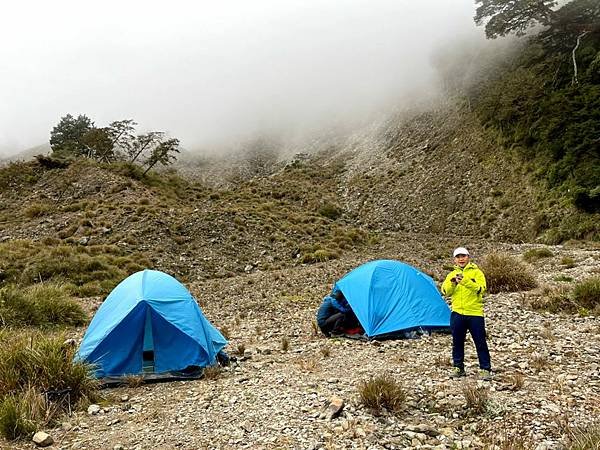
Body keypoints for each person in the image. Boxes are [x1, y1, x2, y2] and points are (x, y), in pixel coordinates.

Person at [442, 247, 492, 380]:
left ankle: (485, 369)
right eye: (458, 257)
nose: (461, 259)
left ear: (468, 257)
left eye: (463, 256)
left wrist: (464, 281)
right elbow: (446, 292)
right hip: (457, 312)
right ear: (454, 260)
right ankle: (458, 367)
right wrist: (453, 283)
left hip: (475, 313)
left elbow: (481, 289)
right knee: (457, 341)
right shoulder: (450, 275)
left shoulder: (477, 273)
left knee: (480, 341)